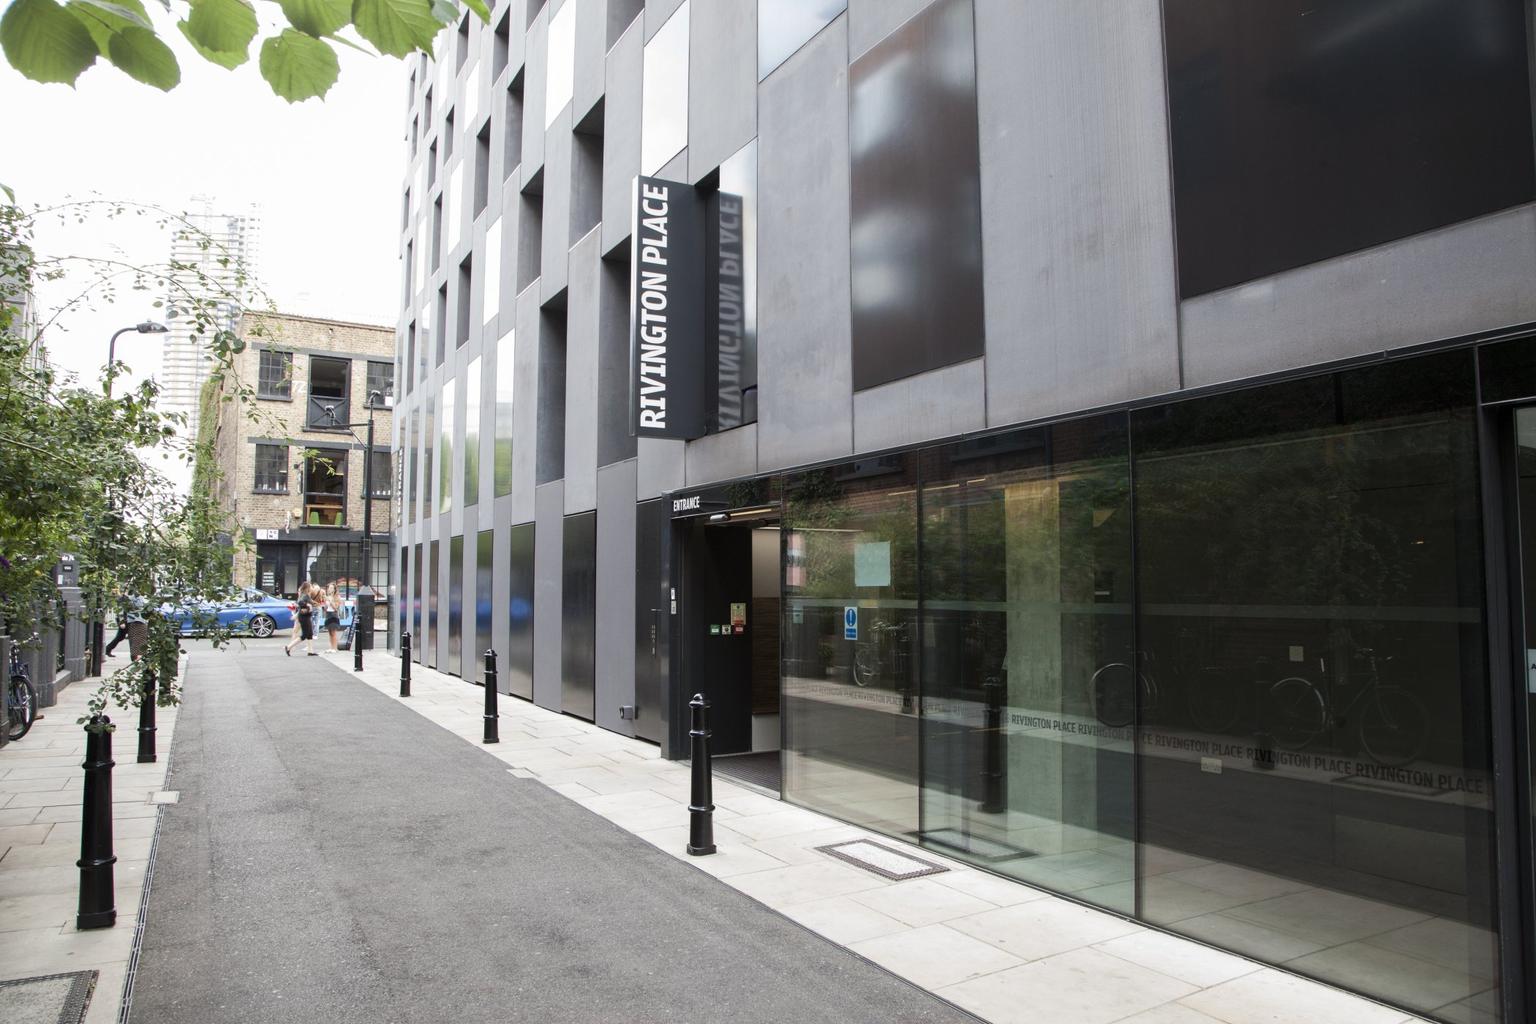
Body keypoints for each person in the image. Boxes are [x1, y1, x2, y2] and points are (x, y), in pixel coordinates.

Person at [286, 582, 318, 657]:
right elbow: (300, 603)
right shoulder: (305, 595)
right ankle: (288, 647)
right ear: (307, 588)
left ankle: (310, 651)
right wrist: (308, 605)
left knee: (310, 634)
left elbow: (310, 602)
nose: (312, 588)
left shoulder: (305, 595)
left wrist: (314, 604)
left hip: (306, 616)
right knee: (304, 635)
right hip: (304, 617)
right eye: (311, 587)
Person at [323, 583, 343, 651]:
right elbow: (326, 608)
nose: (329, 589)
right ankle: (331, 647)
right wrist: (325, 604)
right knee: (330, 632)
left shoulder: (337, 597)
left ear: (334, 589)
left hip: (333, 615)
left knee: (333, 632)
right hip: (328, 614)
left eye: (331, 588)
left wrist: (330, 601)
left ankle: (335, 648)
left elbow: (336, 608)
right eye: (329, 588)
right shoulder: (328, 596)